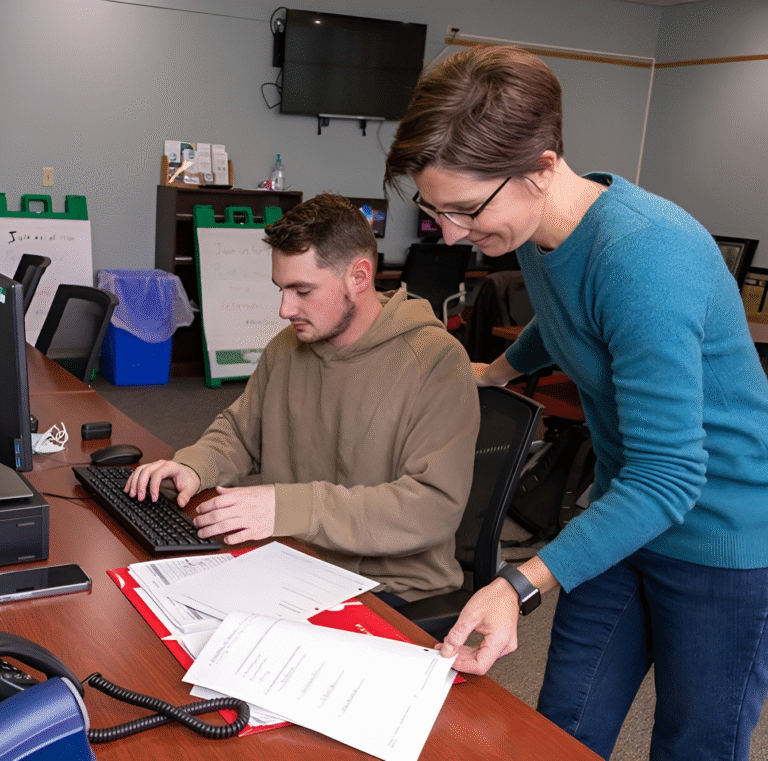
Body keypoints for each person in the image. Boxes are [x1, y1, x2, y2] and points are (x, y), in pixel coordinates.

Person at [384, 45, 768, 761]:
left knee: (695, 745)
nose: (455, 235)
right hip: (625, 512)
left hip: (722, 533)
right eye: (436, 211)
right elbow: (565, 315)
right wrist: (497, 369)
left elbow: (672, 476)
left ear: (543, 167)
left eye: (467, 210)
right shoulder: (539, 228)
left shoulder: (645, 255)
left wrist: (519, 583)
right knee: (561, 726)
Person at [125, 193, 479, 602]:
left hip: (389, 590)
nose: (284, 308)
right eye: (280, 288)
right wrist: (193, 467)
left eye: (302, 291)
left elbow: (431, 508)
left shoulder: (434, 361)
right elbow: (240, 435)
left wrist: (287, 507)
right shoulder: (287, 348)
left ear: (359, 277)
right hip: (292, 559)